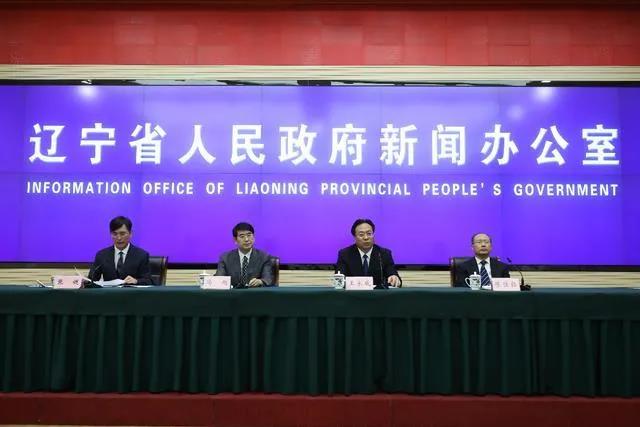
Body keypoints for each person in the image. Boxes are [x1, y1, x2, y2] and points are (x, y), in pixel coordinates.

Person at [335, 218, 402, 288]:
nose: (366, 237)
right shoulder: (345, 254)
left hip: (377, 294)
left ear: (373, 235)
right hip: (353, 294)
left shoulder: (384, 254)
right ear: (354, 237)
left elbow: (394, 276)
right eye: (361, 235)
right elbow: (339, 279)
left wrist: (394, 278)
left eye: (369, 233)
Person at [89, 216, 153, 285]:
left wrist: (136, 281)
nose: (119, 238)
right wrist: (83, 280)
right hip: (109, 291)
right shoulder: (102, 255)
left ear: (130, 233)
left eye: (122, 234)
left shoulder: (141, 255)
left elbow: (149, 281)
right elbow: (91, 280)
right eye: (115, 234)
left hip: (131, 291)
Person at [215, 222, 274, 288]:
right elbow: (219, 279)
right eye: (242, 236)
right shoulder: (225, 258)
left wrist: (260, 281)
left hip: (255, 293)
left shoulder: (264, 257)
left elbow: (268, 279)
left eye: (249, 235)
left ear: (254, 237)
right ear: (235, 240)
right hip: (233, 293)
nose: (246, 239)